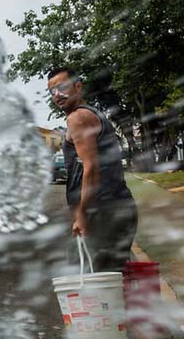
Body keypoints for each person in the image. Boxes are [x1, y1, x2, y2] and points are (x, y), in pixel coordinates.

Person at [47, 67, 138, 272]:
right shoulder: (92, 114)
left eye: (62, 88)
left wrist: (82, 214)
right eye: (52, 91)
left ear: (78, 87)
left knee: (94, 287)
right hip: (115, 208)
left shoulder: (77, 118)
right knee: (110, 282)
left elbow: (91, 168)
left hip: (102, 212)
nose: (57, 95)